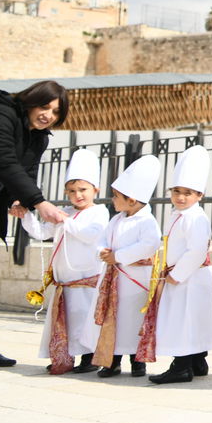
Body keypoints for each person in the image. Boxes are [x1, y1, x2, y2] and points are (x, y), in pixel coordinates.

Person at [0, 79, 70, 369]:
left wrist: (19, 200)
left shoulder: (39, 136)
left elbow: (26, 171)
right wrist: (39, 201)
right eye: (44, 106)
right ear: (30, 100)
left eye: (56, 112)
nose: (48, 115)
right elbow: (3, 161)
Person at [22, 148, 108, 374]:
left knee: (84, 319)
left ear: (95, 190)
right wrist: (26, 216)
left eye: (83, 189)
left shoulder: (100, 212)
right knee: (65, 321)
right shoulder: (65, 212)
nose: (78, 195)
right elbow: (42, 232)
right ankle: (64, 356)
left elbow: (90, 234)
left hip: (85, 278)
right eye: (72, 190)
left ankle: (90, 356)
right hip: (64, 281)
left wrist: (64, 220)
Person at [142, 145, 212, 384]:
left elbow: (197, 249)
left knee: (184, 320)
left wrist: (178, 273)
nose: (181, 197)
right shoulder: (178, 214)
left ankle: (181, 366)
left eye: (188, 192)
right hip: (182, 276)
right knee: (187, 319)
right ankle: (196, 361)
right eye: (177, 192)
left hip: (189, 277)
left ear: (199, 195)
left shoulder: (195, 217)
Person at [85, 155, 162, 378]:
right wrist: (103, 251)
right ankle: (112, 361)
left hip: (136, 280)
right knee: (114, 321)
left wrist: (119, 256)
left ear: (132, 200)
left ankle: (137, 362)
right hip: (116, 279)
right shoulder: (116, 220)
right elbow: (101, 239)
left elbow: (149, 245)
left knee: (134, 321)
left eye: (117, 196)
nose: (113, 200)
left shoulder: (147, 222)